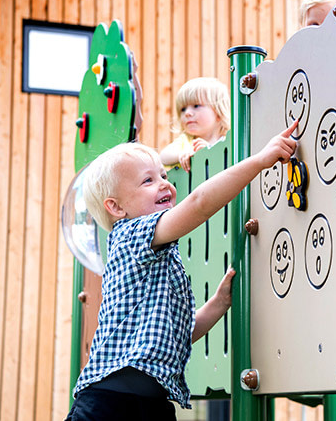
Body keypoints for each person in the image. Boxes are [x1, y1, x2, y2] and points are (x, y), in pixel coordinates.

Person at [66, 122, 298, 421]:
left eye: (163, 176)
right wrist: (259, 161)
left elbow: (179, 334)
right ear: (117, 208)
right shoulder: (130, 235)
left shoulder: (157, 257)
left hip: (151, 402)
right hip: (109, 402)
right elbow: (199, 204)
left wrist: (218, 304)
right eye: (147, 181)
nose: (164, 184)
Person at [159, 77, 230, 172]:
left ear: (218, 112)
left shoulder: (227, 141)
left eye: (196, 106)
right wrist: (182, 154)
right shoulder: (186, 141)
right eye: (183, 109)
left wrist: (209, 151)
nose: (187, 113)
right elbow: (163, 157)